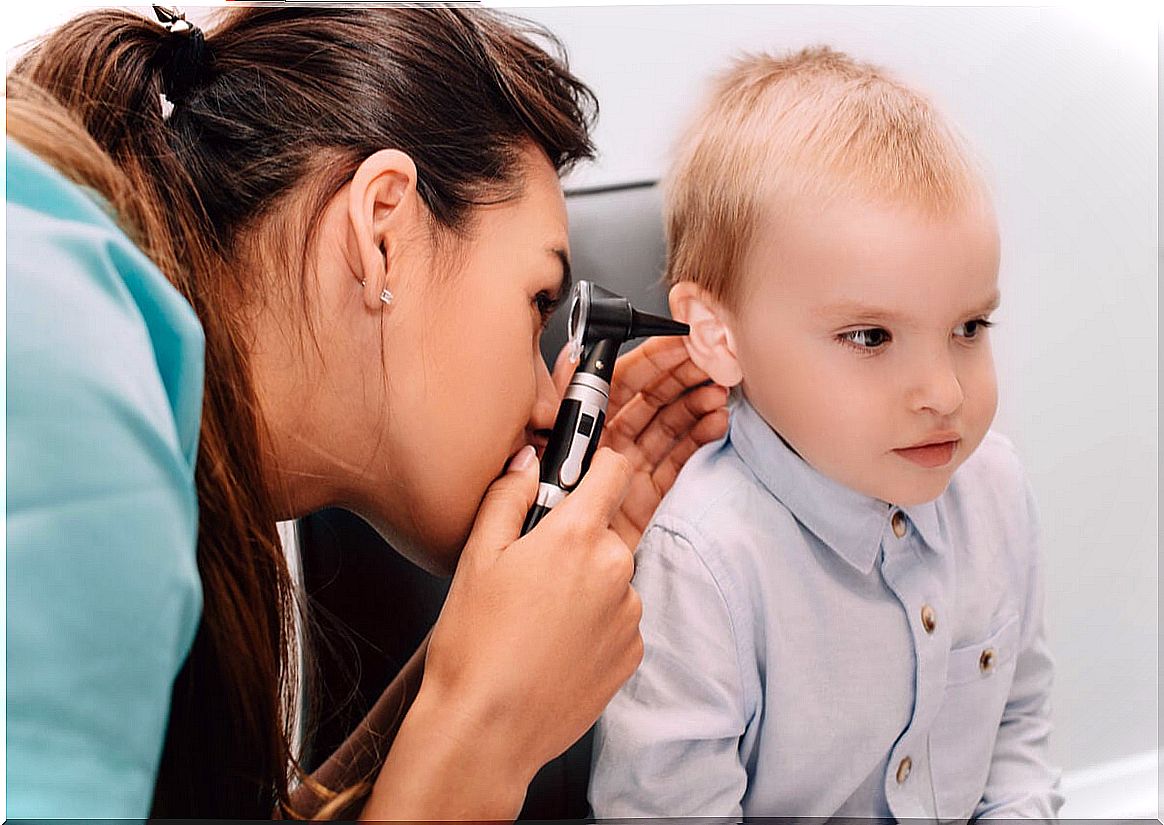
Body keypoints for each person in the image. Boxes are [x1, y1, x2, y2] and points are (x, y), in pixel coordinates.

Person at [5, 5, 729, 819]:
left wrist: (478, 665)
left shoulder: (128, 399)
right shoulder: (76, 398)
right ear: (383, 225)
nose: (545, 404)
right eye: (537, 302)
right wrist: (485, 727)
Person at [589, 46, 1063, 819]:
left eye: (969, 326)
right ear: (720, 335)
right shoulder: (702, 563)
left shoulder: (996, 489)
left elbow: (1019, 725)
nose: (944, 393)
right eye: (871, 337)